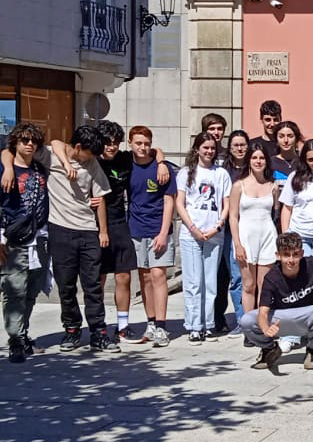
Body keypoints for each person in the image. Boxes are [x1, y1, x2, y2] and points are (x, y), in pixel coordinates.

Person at [37, 124, 114, 352]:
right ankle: (71, 330)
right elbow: (14, 148)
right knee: (66, 285)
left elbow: (100, 197)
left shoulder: (93, 164)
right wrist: (66, 162)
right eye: (89, 153)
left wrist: (103, 231)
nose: (91, 158)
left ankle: (98, 332)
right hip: (60, 229)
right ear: (78, 147)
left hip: (88, 230)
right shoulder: (51, 157)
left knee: (92, 285)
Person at [0, 122, 50, 363]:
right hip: (14, 239)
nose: (30, 144)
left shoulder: (40, 169)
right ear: (15, 144)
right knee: (14, 291)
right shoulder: (2, 171)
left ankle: (22, 335)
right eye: (24, 141)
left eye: (33, 141)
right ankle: (15, 340)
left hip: (40, 238)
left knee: (32, 290)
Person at [243, 232, 313, 371]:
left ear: (302, 253)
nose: (291, 260)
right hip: (281, 320)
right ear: (278, 255)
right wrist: (266, 329)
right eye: (286, 255)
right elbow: (263, 312)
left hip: (307, 316)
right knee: (246, 320)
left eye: (295, 254)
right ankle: (269, 349)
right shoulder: (271, 277)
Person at [122, 126, 176, 347]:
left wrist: (163, 232)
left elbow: (169, 200)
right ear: (130, 143)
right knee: (144, 278)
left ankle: (162, 326)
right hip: (135, 228)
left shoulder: (162, 168)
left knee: (158, 275)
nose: (143, 147)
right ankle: (151, 322)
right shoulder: (126, 165)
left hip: (158, 229)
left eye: (146, 143)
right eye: (138, 143)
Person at [176, 132, 232, 344]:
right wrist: (192, 227)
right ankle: (193, 325)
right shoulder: (186, 173)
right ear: (197, 149)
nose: (209, 151)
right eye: (205, 147)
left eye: (212, 148)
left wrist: (218, 226)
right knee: (193, 282)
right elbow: (180, 203)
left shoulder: (221, 174)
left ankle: (208, 324)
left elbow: (226, 204)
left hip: (214, 234)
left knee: (210, 282)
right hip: (191, 233)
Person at [93, 120, 141, 343]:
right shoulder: (90, 161)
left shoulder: (124, 159)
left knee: (123, 276)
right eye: (107, 142)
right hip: (95, 225)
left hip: (120, 223)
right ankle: (98, 324)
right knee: (98, 278)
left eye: (115, 142)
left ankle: (123, 326)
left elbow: (156, 151)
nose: (111, 147)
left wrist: (160, 163)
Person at [229, 143, 280, 323]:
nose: (258, 161)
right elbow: (233, 217)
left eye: (261, 158)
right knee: (248, 285)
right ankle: (248, 326)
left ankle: (262, 323)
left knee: (264, 286)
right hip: (246, 237)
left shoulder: (273, 186)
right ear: (248, 160)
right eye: (254, 157)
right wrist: (237, 244)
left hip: (267, 236)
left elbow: (275, 213)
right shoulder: (238, 186)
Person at [212, 126, 250, 337]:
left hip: (252, 228)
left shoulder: (254, 167)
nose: (239, 148)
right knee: (235, 277)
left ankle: (253, 318)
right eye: (235, 145)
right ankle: (241, 320)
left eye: (242, 145)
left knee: (250, 277)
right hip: (227, 230)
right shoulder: (222, 170)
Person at [270, 120, 303, 185]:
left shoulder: (303, 161)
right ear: (276, 139)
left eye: (290, 136)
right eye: (281, 136)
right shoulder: (270, 163)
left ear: (297, 138)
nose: (286, 140)